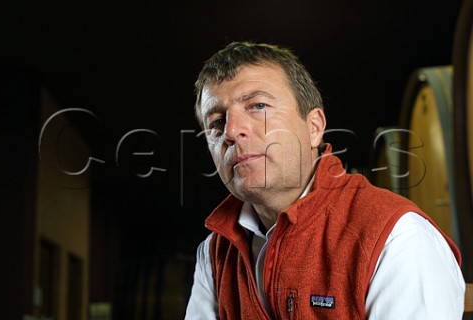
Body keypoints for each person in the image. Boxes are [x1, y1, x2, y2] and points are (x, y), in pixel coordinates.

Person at [184, 41, 465, 319]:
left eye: (258, 105)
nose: (232, 131)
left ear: (314, 127)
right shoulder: (214, 254)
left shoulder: (397, 238)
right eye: (217, 123)